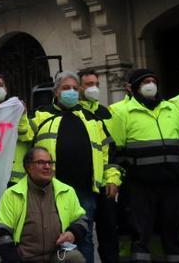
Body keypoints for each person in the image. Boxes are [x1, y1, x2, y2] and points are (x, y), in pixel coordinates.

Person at [30, 71, 120, 263]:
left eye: (73, 88)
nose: (70, 92)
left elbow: (109, 152)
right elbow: (22, 133)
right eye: (65, 88)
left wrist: (112, 178)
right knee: (53, 239)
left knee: (84, 238)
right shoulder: (40, 115)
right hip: (51, 192)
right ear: (56, 92)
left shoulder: (92, 118)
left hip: (84, 191)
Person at [110, 68, 179, 263]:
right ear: (135, 88)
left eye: (153, 81)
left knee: (174, 233)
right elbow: (115, 151)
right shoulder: (121, 113)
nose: (150, 85)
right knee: (141, 235)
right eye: (145, 82)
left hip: (172, 184)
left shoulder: (172, 110)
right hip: (140, 186)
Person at [0, 147, 87, 263]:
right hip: (24, 258)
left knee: (75, 258)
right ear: (28, 167)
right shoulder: (12, 194)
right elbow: (2, 233)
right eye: (41, 162)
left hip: (57, 256)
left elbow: (82, 219)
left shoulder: (67, 191)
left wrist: (72, 233)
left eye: (50, 163)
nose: (47, 167)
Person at [78, 69, 119, 263]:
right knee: (84, 234)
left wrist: (113, 178)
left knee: (109, 232)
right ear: (80, 87)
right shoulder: (76, 112)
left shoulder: (105, 112)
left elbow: (111, 150)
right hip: (84, 183)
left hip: (105, 184)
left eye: (96, 84)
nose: (93, 88)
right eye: (88, 84)